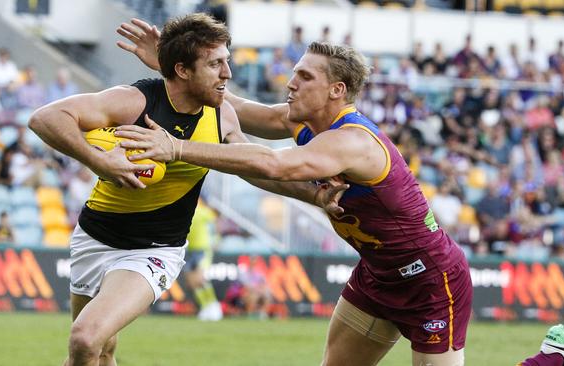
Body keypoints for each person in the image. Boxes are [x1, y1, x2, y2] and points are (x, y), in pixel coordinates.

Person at [116, 21, 473, 366]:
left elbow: (272, 164)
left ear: (336, 90)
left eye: (305, 77)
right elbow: (233, 108)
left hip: (431, 280)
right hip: (378, 275)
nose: (291, 82)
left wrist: (176, 148)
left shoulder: (352, 141)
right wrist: (180, 69)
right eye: (294, 72)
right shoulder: (305, 122)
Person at [30, 13, 344, 366]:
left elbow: (254, 167)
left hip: (155, 249)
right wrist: (98, 161)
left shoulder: (222, 114)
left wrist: (313, 195)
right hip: (93, 238)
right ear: (182, 70)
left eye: (227, 61)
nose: (228, 73)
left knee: (85, 339)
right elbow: (45, 118)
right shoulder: (134, 101)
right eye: (215, 64)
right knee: (99, 351)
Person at [184, 197, 223, 321]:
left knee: (200, 279)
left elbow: (216, 220)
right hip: (187, 249)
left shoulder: (202, 210)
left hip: (201, 249)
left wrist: (217, 239)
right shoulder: (184, 210)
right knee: (191, 282)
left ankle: (213, 306)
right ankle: (205, 306)